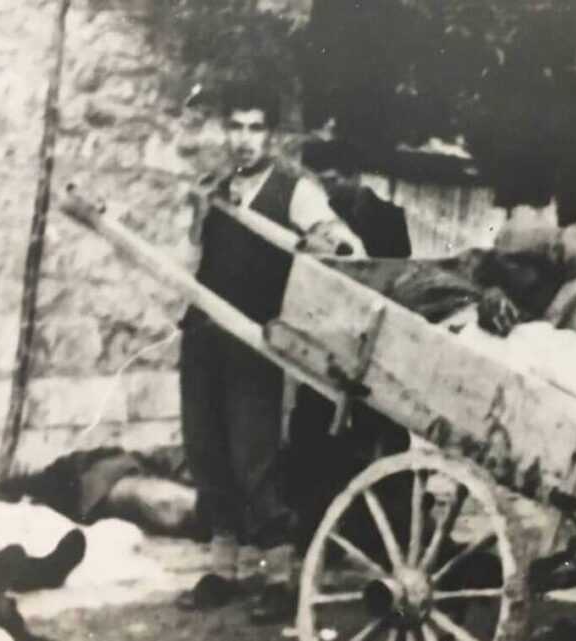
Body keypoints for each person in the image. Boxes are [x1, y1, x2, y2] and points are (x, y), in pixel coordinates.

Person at [176, 79, 364, 618]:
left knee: (253, 455)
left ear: (272, 136)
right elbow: (194, 258)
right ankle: (223, 571)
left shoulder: (294, 190)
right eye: (235, 126)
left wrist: (328, 241)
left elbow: (346, 247)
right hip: (204, 332)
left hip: (255, 338)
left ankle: (279, 576)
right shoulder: (213, 188)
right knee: (205, 450)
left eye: (255, 128)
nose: (244, 139)